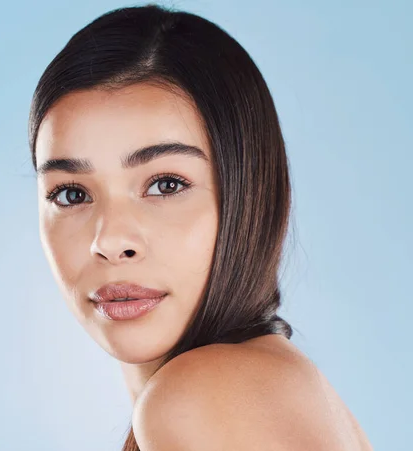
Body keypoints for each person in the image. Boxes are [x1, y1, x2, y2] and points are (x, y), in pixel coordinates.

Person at [27, 4, 373, 450]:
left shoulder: (203, 396)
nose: (110, 241)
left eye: (166, 185)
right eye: (72, 194)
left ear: (249, 191)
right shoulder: (281, 387)